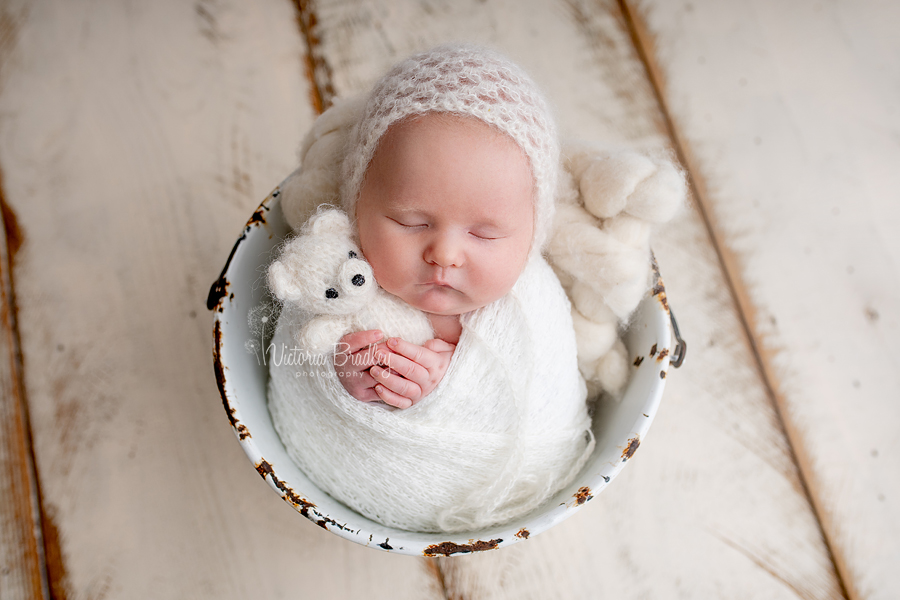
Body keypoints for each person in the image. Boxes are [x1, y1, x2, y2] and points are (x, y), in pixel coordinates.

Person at [332, 44, 560, 409]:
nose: (445, 255)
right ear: (356, 202)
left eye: (484, 234)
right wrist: (337, 374)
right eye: (411, 222)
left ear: (533, 236)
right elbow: (286, 348)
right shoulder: (333, 275)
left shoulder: (534, 311)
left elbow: (549, 399)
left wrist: (457, 385)